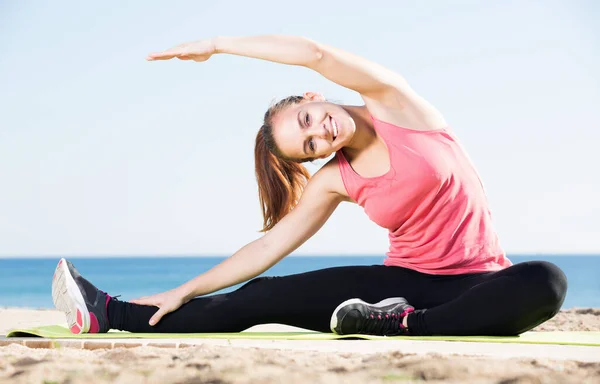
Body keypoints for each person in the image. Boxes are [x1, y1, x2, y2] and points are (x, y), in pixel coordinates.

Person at [52, 35, 567, 337]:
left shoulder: (397, 105)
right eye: (310, 147)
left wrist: (219, 46)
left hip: (477, 282)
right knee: (257, 297)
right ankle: (108, 313)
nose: (320, 134)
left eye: (308, 120)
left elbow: (315, 53)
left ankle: (406, 327)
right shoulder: (334, 180)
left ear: (312, 97)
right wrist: (185, 288)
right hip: (400, 285)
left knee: (545, 281)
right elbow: (270, 246)